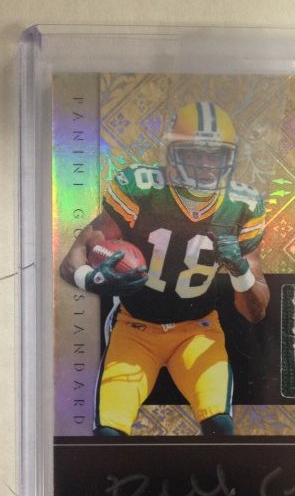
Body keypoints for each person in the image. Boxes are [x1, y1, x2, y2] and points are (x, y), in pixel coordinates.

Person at [60, 101, 270, 437]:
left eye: (215, 155)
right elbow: (74, 257)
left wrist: (239, 269)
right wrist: (92, 278)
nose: (205, 165)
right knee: (108, 434)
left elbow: (255, 311)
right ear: (172, 153)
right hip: (136, 327)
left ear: (229, 157)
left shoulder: (243, 206)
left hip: (198, 329)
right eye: (194, 153)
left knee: (220, 427)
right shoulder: (143, 189)